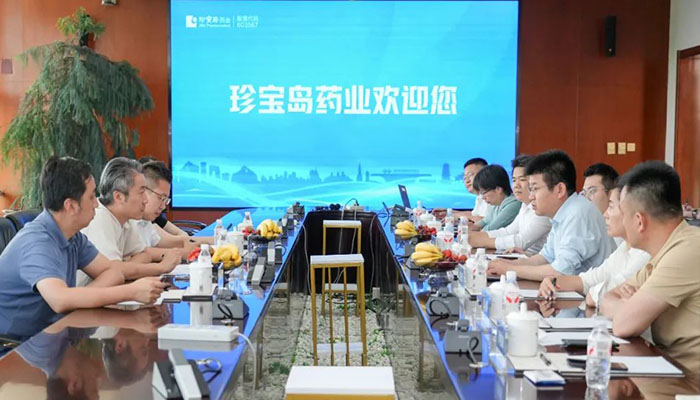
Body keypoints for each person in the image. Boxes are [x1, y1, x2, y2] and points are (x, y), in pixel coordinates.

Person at [0, 157, 168, 341]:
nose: (97, 203)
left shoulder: (73, 236)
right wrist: (131, 291)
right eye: (91, 197)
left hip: (53, 333)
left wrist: (80, 300)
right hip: (15, 345)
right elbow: (60, 300)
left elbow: (114, 271)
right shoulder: (37, 241)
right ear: (71, 206)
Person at [601, 161, 700, 372]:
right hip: (669, 370)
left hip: (689, 382)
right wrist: (629, 306)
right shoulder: (663, 251)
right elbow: (606, 300)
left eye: (623, 214)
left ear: (639, 221)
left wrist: (629, 308)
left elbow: (623, 325)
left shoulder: (687, 250)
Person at [487, 150, 616, 281]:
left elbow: (560, 272)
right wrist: (507, 264)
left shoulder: (578, 213)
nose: (531, 197)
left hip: (591, 292)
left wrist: (510, 269)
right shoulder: (562, 213)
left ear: (559, 190)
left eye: (535, 189)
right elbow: (546, 257)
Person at [538, 185, 650, 306]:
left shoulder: (645, 255)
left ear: (636, 216)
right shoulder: (625, 247)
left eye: (611, 207)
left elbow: (597, 296)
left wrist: (594, 293)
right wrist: (553, 282)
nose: (605, 214)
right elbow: (588, 280)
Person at [79, 158, 179, 286]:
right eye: (141, 192)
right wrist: (161, 267)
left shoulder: (126, 218)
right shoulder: (99, 218)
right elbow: (114, 271)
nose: (145, 200)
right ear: (118, 197)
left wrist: (126, 267)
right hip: (85, 296)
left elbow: (144, 254)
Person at [467, 155, 551, 255]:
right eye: (514, 180)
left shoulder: (543, 208)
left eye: (522, 179)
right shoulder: (525, 205)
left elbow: (521, 241)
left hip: (533, 260)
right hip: (521, 257)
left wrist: (479, 240)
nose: (516, 185)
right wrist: (476, 236)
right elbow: (508, 231)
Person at [137, 160, 198, 256]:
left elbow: (179, 242)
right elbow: (142, 255)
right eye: (160, 198)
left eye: (165, 200)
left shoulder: (146, 222)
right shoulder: (128, 222)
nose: (163, 206)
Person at [469, 164, 521, 231]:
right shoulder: (495, 204)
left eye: (484, 192)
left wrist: (470, 233)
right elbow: (485, 221)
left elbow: (490, 229)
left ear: (498, 189)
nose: (483, 197)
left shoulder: (514, 204)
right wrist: (471, 227)